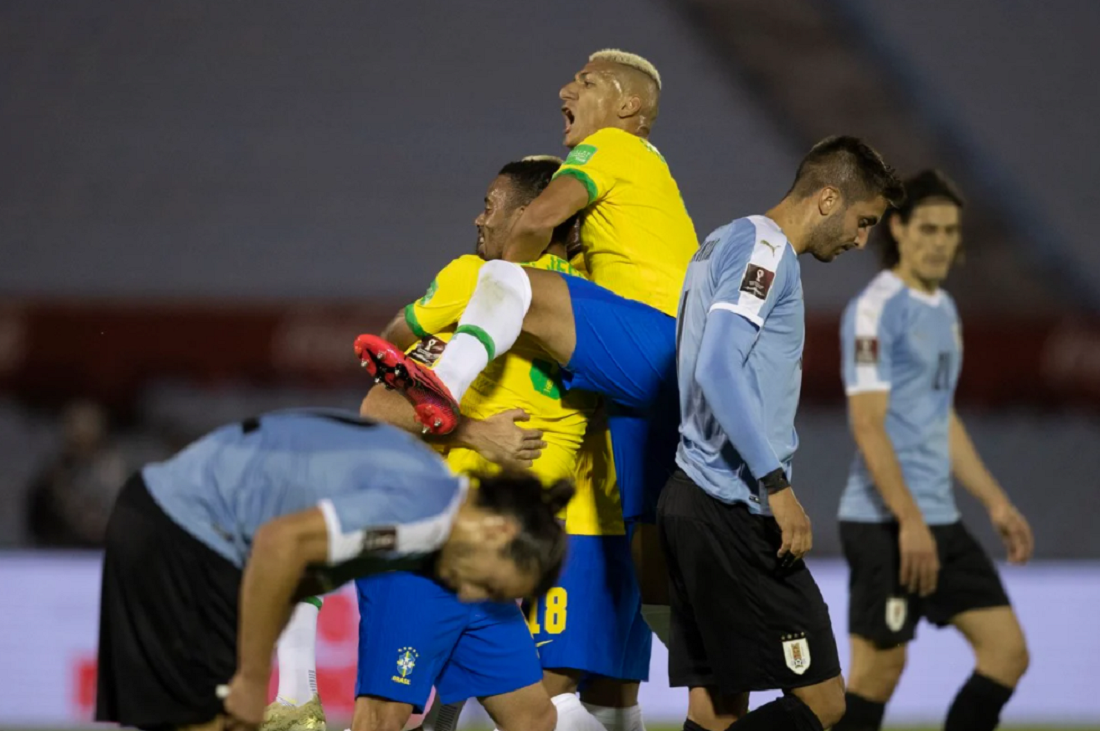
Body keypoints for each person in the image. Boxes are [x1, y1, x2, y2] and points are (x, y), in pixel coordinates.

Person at [357, 48, 697, 642]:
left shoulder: (613, 146)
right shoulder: (614, 235)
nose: (567, 86)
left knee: (507, 279)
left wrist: (505, 272)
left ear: (627, 106)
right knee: (651, 522)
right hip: (670, 369)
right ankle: (693, 650)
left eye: (587, 81)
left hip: (647, 339)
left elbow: (541, 217)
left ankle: (446, 384)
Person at [94, 408, 572, 731]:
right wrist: (255, 677)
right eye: (487, 583)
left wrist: (292, 679)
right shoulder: (421, 512)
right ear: (498, 532)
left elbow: (302, 560)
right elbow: (280, 544)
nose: (472, 594)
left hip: (187, 525)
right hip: (174, 530)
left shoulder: (433, 506)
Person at [662, 136, 903, 731]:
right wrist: (776, 484)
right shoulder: (766, 251)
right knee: (824, 706)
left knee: (717, 710)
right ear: (827, 199)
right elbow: (717, 366)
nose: (861, 240)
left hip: (689, 499)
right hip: (731, 506)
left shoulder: (723, 240)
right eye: (863, 220)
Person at [833, 170, 1033, 731]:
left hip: (937, 521)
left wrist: (995, 502)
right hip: (883, 522)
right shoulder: (874, 310)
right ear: (897, 228)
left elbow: (940, 418)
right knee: (878, 673)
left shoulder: (944, 310)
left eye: (950, 230)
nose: (942, 240)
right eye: (929, 227)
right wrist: (909, 521)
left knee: (1007, 654)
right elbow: (868, 426)